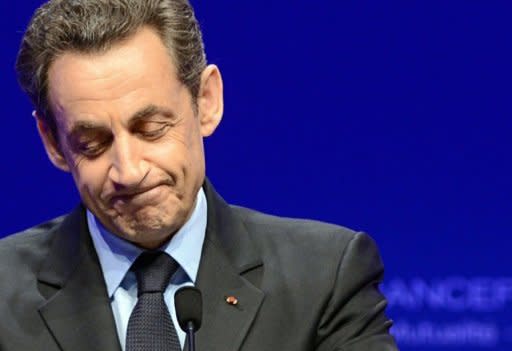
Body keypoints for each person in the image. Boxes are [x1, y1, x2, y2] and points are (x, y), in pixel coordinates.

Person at [0, 1, 398, 350]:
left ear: (206, 101)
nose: (129, 170)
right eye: (92, 144)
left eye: (152, 128)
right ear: (52, 142)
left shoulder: (324, 278)